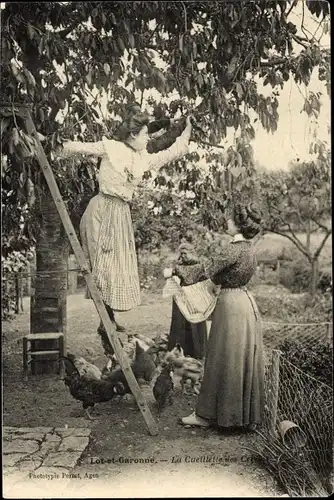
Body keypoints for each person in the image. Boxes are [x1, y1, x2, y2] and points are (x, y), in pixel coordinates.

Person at [60, 108, 193, 354]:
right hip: (102, 210)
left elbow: (169, 153)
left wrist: (185, 132)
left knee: (117, 269)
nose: (147, 140)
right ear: (132, 135)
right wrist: (57, 143)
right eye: (143, 135)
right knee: (103, 267)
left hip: (120, 214)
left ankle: (106, 323)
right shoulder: (111, 148)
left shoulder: (141, 156)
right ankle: (106, 322)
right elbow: (81, 147)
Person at [173, 202, 264, 430]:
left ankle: (207, 416)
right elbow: (220, 273)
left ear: (240, 224)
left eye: (231, 220)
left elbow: (206, 269)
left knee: (221, 359)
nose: (227, 222)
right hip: (244, 302)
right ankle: (241, 417)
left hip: (231, 305)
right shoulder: (249, 248)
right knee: (238, 359)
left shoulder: (234, 249)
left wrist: (176, 271)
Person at [168, 242, 208, 360]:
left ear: (192, 253)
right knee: (179, 324)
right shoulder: (179, 265)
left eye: (185, 253)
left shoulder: (199, 266)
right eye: (181, 254)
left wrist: (176, 271)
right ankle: (180, 350)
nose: (183, 256)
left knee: (195, 324)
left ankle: (197, 352)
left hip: (194, 298)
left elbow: (192, 278)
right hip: (180, 298)